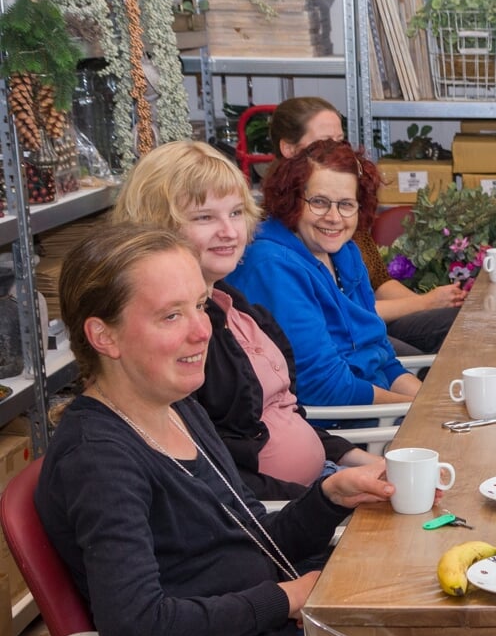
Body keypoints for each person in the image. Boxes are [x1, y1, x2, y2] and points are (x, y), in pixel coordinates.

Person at [35, 224, 496, 636]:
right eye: (171, 316)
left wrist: (329, 497)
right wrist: (286, 598)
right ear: (104, 335)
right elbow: (138, 630)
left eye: (199, 306)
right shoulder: (100, 458)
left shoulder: (176, 409)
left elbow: (245, 541)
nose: (203, 329)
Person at [110, 140, 382, 500]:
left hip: (318, 486)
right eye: (205, 217)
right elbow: (212, 481)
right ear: (158, 225)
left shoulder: (232, 305)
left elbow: (286, 414)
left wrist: (358, 460)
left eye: (236, 212)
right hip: (278, 517)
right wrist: (326, 497)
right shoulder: (177, 339)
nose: (230, 231)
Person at [226, 138, 422, 407]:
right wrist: (414, 409)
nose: (334, 217)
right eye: (319, 202)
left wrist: (431, 404)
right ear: (292, 199)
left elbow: (383, 358)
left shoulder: (345, 252)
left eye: (346, 204)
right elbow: (325, 387)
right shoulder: (272, 265)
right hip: (345, 426)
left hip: (380, 410)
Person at [270, 97, 463, 355]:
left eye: (341, 141)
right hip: (343, 338)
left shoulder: (343, 215)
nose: (334, 216)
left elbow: (379, 282)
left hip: (365, 324)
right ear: (289, 149)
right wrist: (425, 303)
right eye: (326, 142)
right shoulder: (285, 234)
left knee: (463, 325)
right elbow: (341, 312)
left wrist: (430, 303)